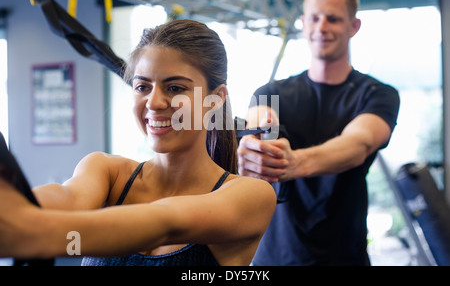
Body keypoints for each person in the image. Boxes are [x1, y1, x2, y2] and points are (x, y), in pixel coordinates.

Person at [0, 19, 276, 266]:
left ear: (215, 98)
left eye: (175, 88)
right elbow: (67, 197)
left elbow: (165, 222)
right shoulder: (107, 172)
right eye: (142, 87)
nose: (154, 103)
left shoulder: (250, 196)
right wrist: (19, 205)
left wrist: (33, 230)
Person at [237, 0, 400, 265]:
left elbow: (358, 144)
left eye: (333, 19)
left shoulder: (377, 94)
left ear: (354, 27)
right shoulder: (271, 93)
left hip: (343, 256)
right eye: (314, 18)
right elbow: (259, 121)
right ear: (303, 23)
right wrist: (257, 143)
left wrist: (293, 162)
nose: (321, 27)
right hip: (275, 257)